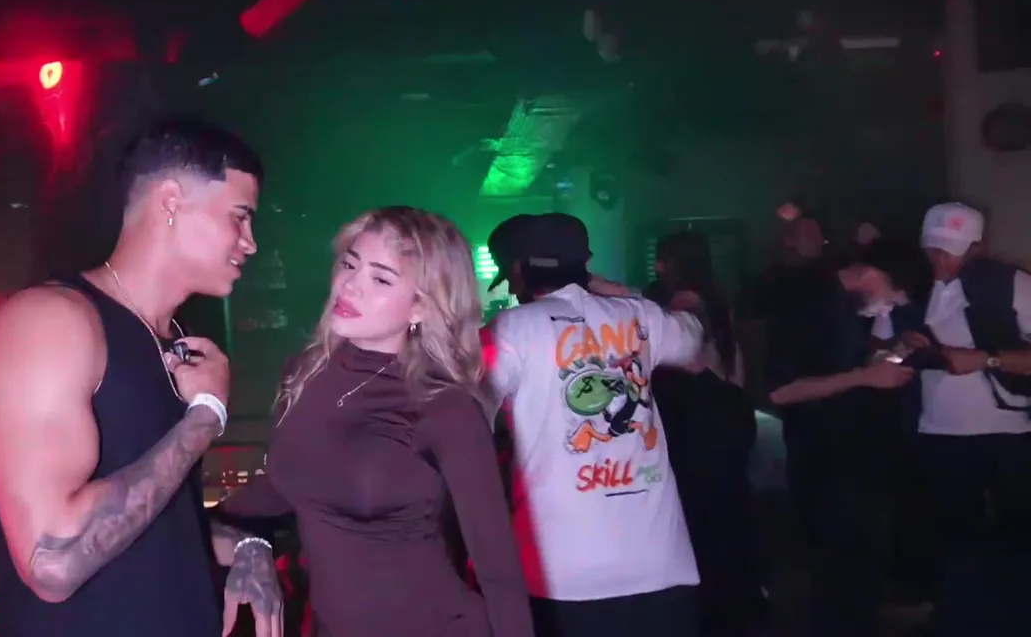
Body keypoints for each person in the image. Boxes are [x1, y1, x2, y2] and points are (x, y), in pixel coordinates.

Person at [0, 118, 282, 637]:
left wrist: (245, 545)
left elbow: (151, 520)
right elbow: (53, 563)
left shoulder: (175, 342)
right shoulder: (50, 322)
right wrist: (205, 418)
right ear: (171, 201)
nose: (250, 242)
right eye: (239, 217)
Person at [215, 206, 533, 637]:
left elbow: (498, 572)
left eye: (381, 279)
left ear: (421, 307)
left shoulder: (444, 407)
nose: (349, 285)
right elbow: (290, 484)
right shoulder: (303, 374)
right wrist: (191, 521)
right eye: (350, 265)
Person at [483, 212, 706, 637]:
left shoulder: (508, 330)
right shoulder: (641, 316)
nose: (511, 288)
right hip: (662, 569)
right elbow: (694, 335)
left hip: (563, 577)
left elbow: (467, 419)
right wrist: (625, 295)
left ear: (521, 270)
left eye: (510, 276)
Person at [766, 237, 923, 637]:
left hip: (857, 463)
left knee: (861, 575)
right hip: (824, 465)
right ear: (871, 274)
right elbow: (782, 391)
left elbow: (844, 369)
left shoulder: (847, 308)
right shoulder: (805, 303)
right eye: (892, 297)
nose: (889, 308)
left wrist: (890, 355)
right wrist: (866, 376)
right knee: (839, 579)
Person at [887, 203, 1031, 623]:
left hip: (1011, 433)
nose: (938, 259)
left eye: (949, 250)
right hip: (938, 435)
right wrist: (903, 349)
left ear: (977, 248)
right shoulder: (908, 289)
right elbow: (883, 359)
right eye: (932, 248)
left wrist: (987, 359)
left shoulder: (1012, 285)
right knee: (955, 543)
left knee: (1019, 537)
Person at [644, 230, 763, 637]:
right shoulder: (716, 298)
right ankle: (739, 602)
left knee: (704, 514)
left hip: (704, 417)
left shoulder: (684, 303)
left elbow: (685, 363)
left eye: (662, 258)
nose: (657, 266)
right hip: (727, 411)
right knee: (728, 507)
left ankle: (716, 608)